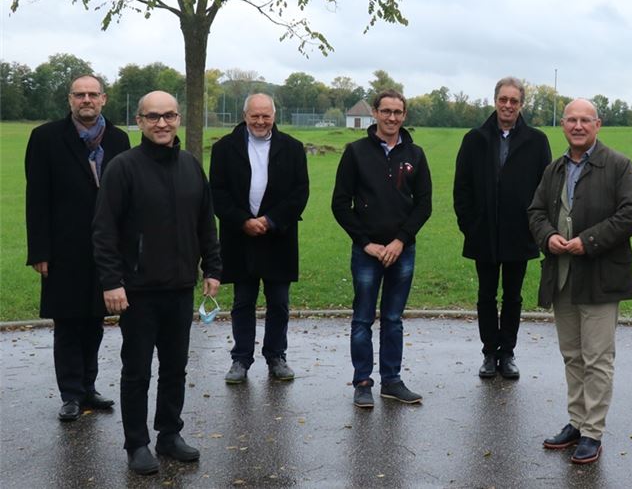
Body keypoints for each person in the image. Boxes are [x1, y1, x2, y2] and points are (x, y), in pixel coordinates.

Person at [93, 91, 222, 475]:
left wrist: (213, 268)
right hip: (137, 291)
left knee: (175, 367)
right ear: (140, 121)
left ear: (179, 118)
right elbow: (103, 231)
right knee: (137, 371)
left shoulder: (190, 166)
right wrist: (112, 281)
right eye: (153, 117)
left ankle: (169, 433)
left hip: (180, 288)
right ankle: (137, 443)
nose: (161, 123)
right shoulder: (123, 168)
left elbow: (205, 222)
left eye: (168, 116)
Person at [528, 98, 632, 465]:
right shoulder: (555, 168)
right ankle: (576, 422)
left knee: (597, 358)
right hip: (562, 277)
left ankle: (593, 432)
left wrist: (588, 241)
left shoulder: (618, 165)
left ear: (598, 124)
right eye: (571, 120)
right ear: (563, 124)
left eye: (585, 120)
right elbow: (535, 211)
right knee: (572, 355)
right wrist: (548, 237)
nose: (577, 126)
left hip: (600, 277)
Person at [25, 74, 130, 421]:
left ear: (104, 99)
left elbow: (127, 199)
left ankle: (89, 386)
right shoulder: (45, 138)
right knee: (68, 321)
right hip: (63, 247)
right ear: (70, 100)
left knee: (96, 320)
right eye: (79, 94)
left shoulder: (118, 139)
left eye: (92, 94)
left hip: (106, 249)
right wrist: (39, 250)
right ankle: (70, 393)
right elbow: (36, 198)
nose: (86, 100)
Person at [331, 89, 432, 408]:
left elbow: (424, 205)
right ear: (375, 112)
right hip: (367, 252)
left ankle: (392, 380)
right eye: (386, 111)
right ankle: (362, 381)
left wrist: (401, 240)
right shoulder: (356, 152)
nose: (392, 117)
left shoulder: (415, 155)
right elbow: (340, 204)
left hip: (402, 250)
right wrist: (367, 243)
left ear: (405, 116)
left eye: (398, 112)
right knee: (362, 319)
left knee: (393, 318)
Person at [453, 77, 551, 379]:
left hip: (519, 233)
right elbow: (462, 187)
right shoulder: (475, 139)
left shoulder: (536, 141)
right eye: (503, 100)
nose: (508, 106)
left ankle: (507, 353)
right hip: (484, 233)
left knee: (513, 296)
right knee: (486, 295)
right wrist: (470, 225)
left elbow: (544, 189)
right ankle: (488, 352)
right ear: (495, 101)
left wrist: (535, 227)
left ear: (521, 105)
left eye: (514, 101)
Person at [210, 93, 310, 384]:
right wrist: (243, 220)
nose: (260, 121)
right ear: (245, 116)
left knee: (279, 302)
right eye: (255, 115)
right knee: (243, 301)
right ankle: (241, 359)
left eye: (266, 115)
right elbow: (217, 192)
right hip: (239, 237)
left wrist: (270, 220)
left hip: (278, 236)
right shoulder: (224, 148)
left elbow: (299, 192)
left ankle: (276, 355)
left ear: (274, 116)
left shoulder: (292, 148)